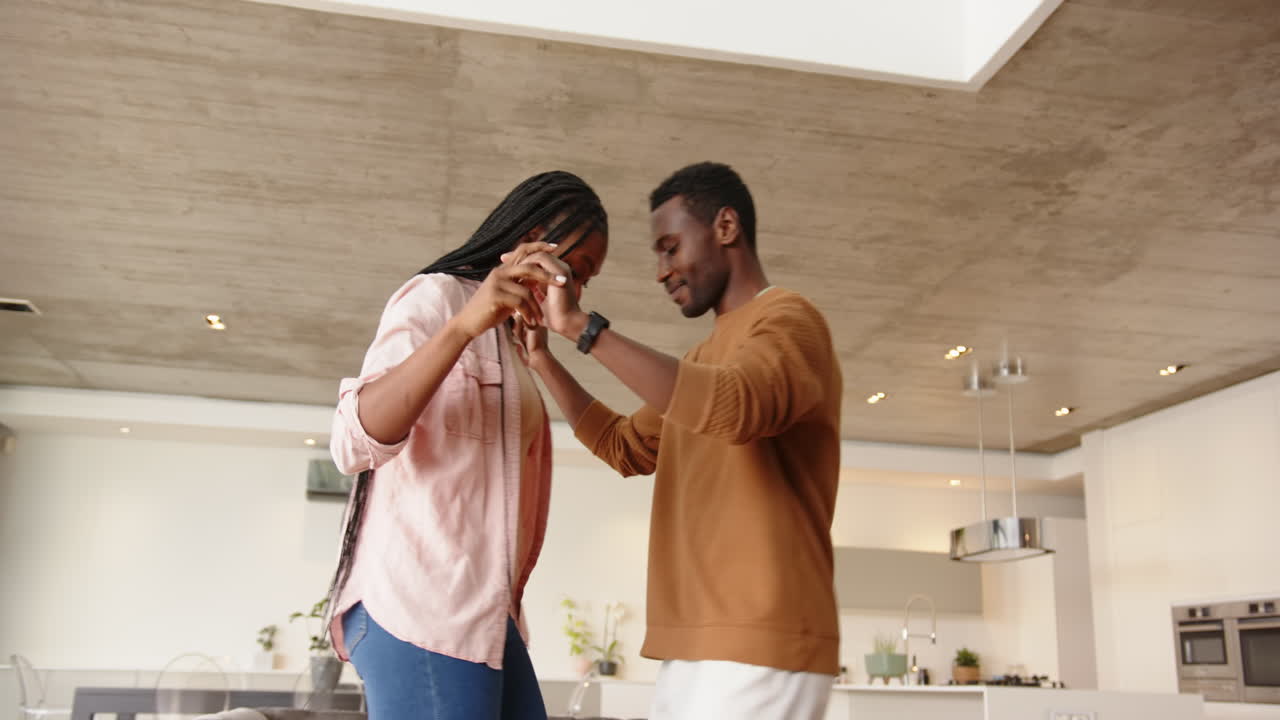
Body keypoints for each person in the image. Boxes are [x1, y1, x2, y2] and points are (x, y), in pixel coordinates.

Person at [508, 161, 843, 719]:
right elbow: (624, 446)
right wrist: (543, 358)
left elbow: (734, 407)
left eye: (670, 247)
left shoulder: (789, 322)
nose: (661, 271)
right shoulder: (701, 363)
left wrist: (582, 328)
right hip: (696, 644)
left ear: (726, 227)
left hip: (761, 635)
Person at [325, 171, 609, 720]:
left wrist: (536, 357)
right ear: (533, 241)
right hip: (421, 603)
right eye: (577, 269)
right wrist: (463, 326)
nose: (577, 288)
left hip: (484, 613)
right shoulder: (436, 297)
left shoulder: (512, 342)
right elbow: (351, 443)